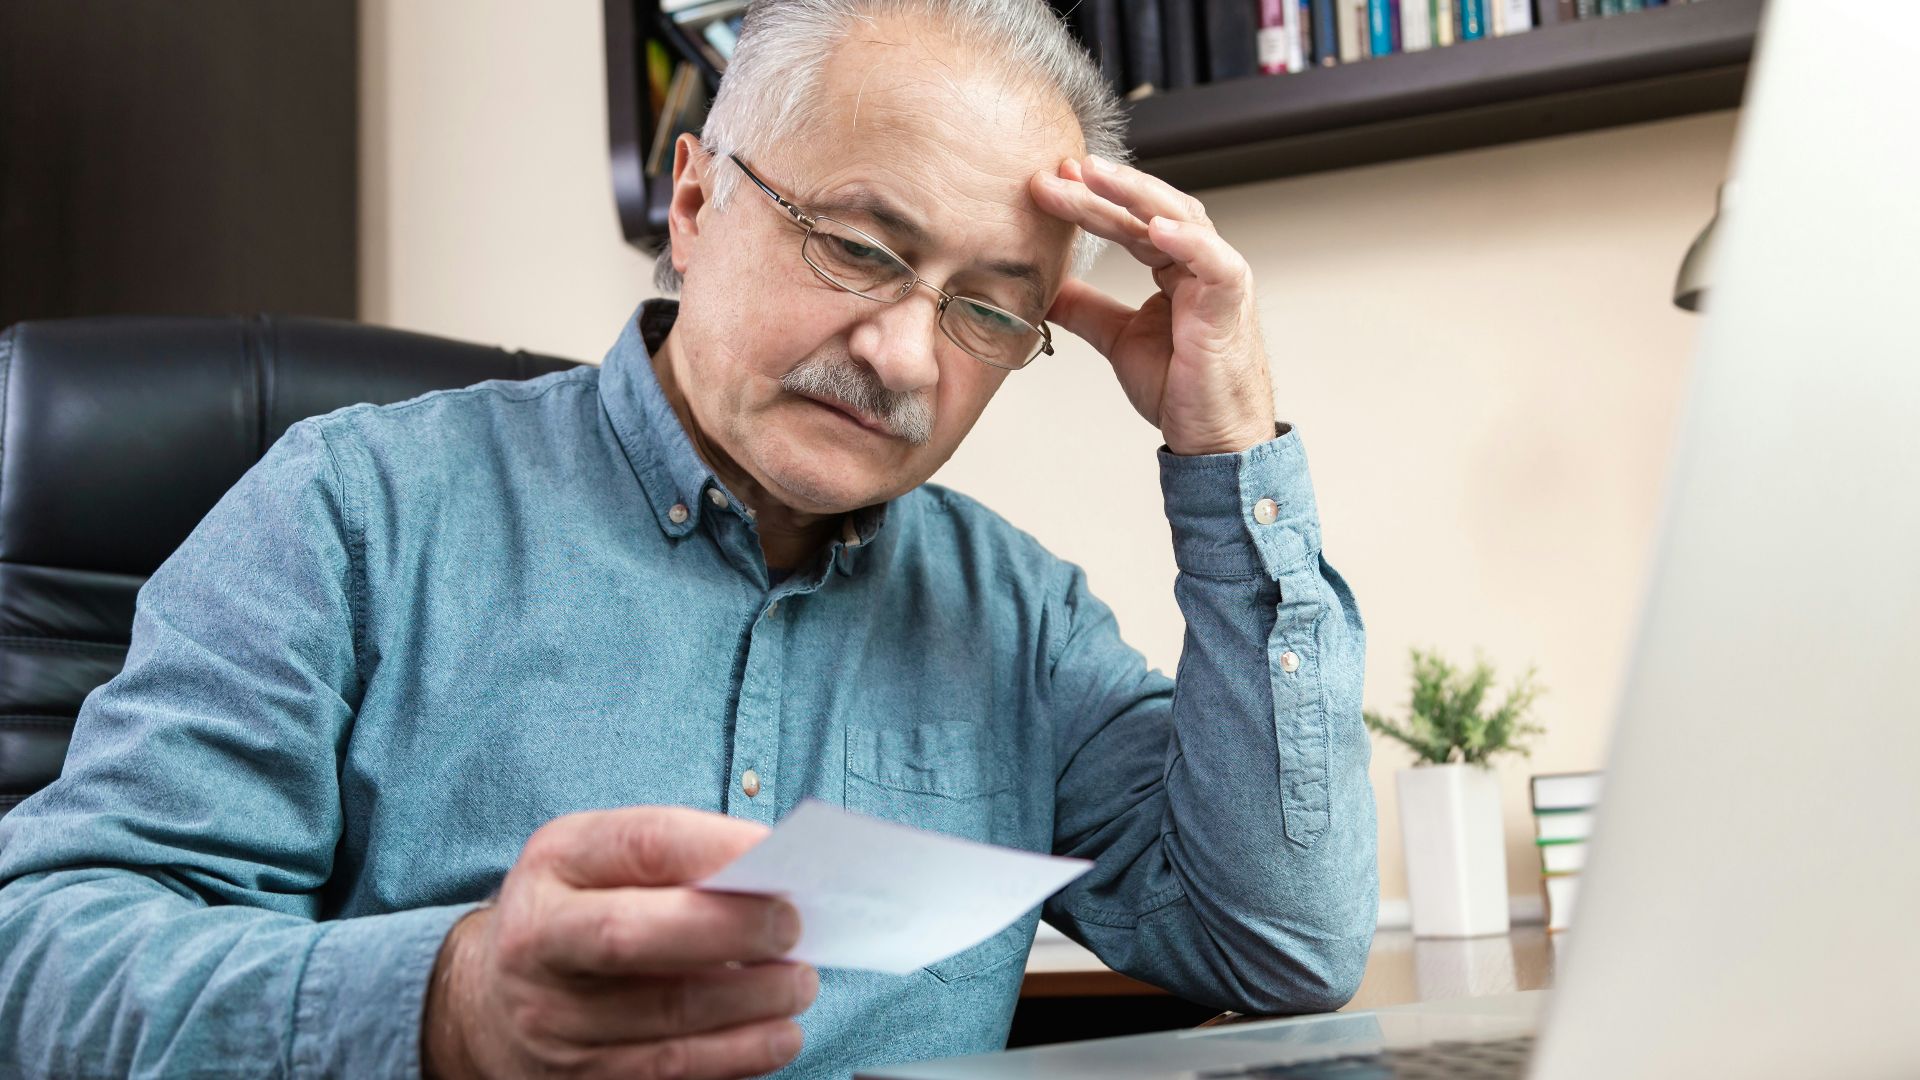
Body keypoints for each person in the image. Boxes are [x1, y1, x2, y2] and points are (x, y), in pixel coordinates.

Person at [0, 0, 1377, 1076]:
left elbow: (1279, 945)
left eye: (987, 310)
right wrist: (447, 1003)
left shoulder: (1019, 620)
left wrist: (1228, 448)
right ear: (698, 201)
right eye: (859, 248)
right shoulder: (356, 509)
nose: (905, 356)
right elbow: (45, 961)